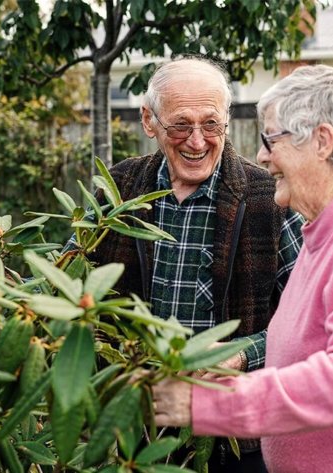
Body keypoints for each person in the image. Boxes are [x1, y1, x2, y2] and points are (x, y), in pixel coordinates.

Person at [151, 64, 333, 473]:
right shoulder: (328, 231)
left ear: (322, 142)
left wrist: (200, 404)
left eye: (271, 139)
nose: (261, 156)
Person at [90, 56, 304, 472]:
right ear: (149, 121)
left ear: (227, 121)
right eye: (180, 125)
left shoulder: (267, 198)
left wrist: (243, 356)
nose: (196, 141)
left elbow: (308, 318)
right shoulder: (120, 188)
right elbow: (72, 283)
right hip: (133, 429)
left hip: (236, 438)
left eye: (211, 124)